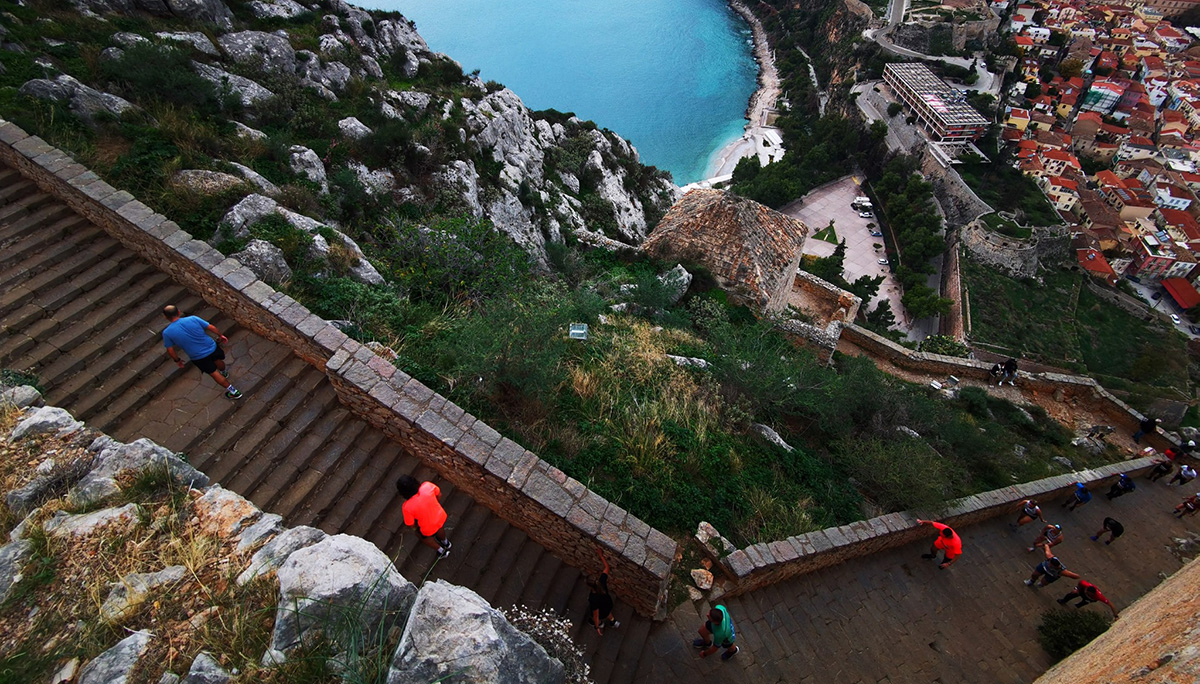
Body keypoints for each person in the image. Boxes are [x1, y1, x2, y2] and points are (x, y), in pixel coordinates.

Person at [161, 305, 241, 399]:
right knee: (217, 360)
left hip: (199, 356)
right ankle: (224, 372)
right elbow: (210, 327)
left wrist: (177, 360)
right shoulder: (193, 318)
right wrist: (220, 335)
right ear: (179, 312)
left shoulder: (167, 333)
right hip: (211, 346)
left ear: (166, 317)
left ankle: (234, 392)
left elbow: (170, 350)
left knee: (214, 373)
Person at [396, 474, 452, 558]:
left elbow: (410, 523)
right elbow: (439, 494)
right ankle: (446, 542)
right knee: (439, 527)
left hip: (428, 527)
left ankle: (441, 551)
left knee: (422, 536)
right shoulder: (427, 486)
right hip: (439, 515)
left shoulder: (407, 507)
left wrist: (416, 528)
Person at [587, 547, 619, 636]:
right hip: (608, 603)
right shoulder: (602, 582)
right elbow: (607, 567)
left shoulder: (593, 598)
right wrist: (601, 555)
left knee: (602, 614)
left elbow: (596, 615)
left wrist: (597, 627)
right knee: (608, 611)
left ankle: (602, 624)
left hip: (602, 611)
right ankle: (613, 621)